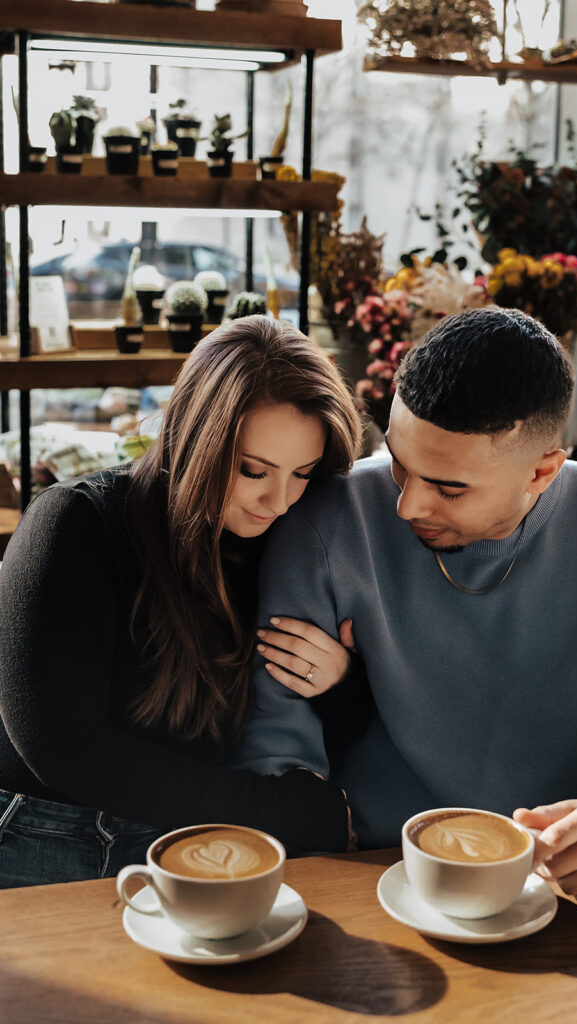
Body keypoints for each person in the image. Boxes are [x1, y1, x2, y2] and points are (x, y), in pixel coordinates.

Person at [237, 306, 577, 907]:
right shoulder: (323, 523)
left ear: (543, 471)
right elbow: (276, 758)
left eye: (449, 487)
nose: (407, 506)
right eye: (399, 462)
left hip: (554, 892)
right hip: (363, 881)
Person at [0, 315, 361, 887]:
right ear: (195, 438)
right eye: (253, 470)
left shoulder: (288, 539)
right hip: (43, 829)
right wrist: (280, 813)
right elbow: (61, 743)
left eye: (304, 474)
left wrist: (341, 685)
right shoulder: (74, 523)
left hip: (199, 836)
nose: (281, 500)